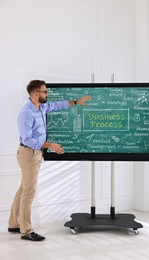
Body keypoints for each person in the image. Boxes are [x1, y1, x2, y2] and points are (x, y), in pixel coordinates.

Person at [8, 80, 92, 241]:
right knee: (29, 192)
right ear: (35, 93)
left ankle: (14, 224)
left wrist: (75, 102)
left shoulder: (41, 107)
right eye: (44, 92)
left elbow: (58, 105)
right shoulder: (26, 112)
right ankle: (26, 231)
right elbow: (27, 139)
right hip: (29, 153)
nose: (47, 94)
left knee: (23, 189)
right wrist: (50, 144)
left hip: (34, 153)